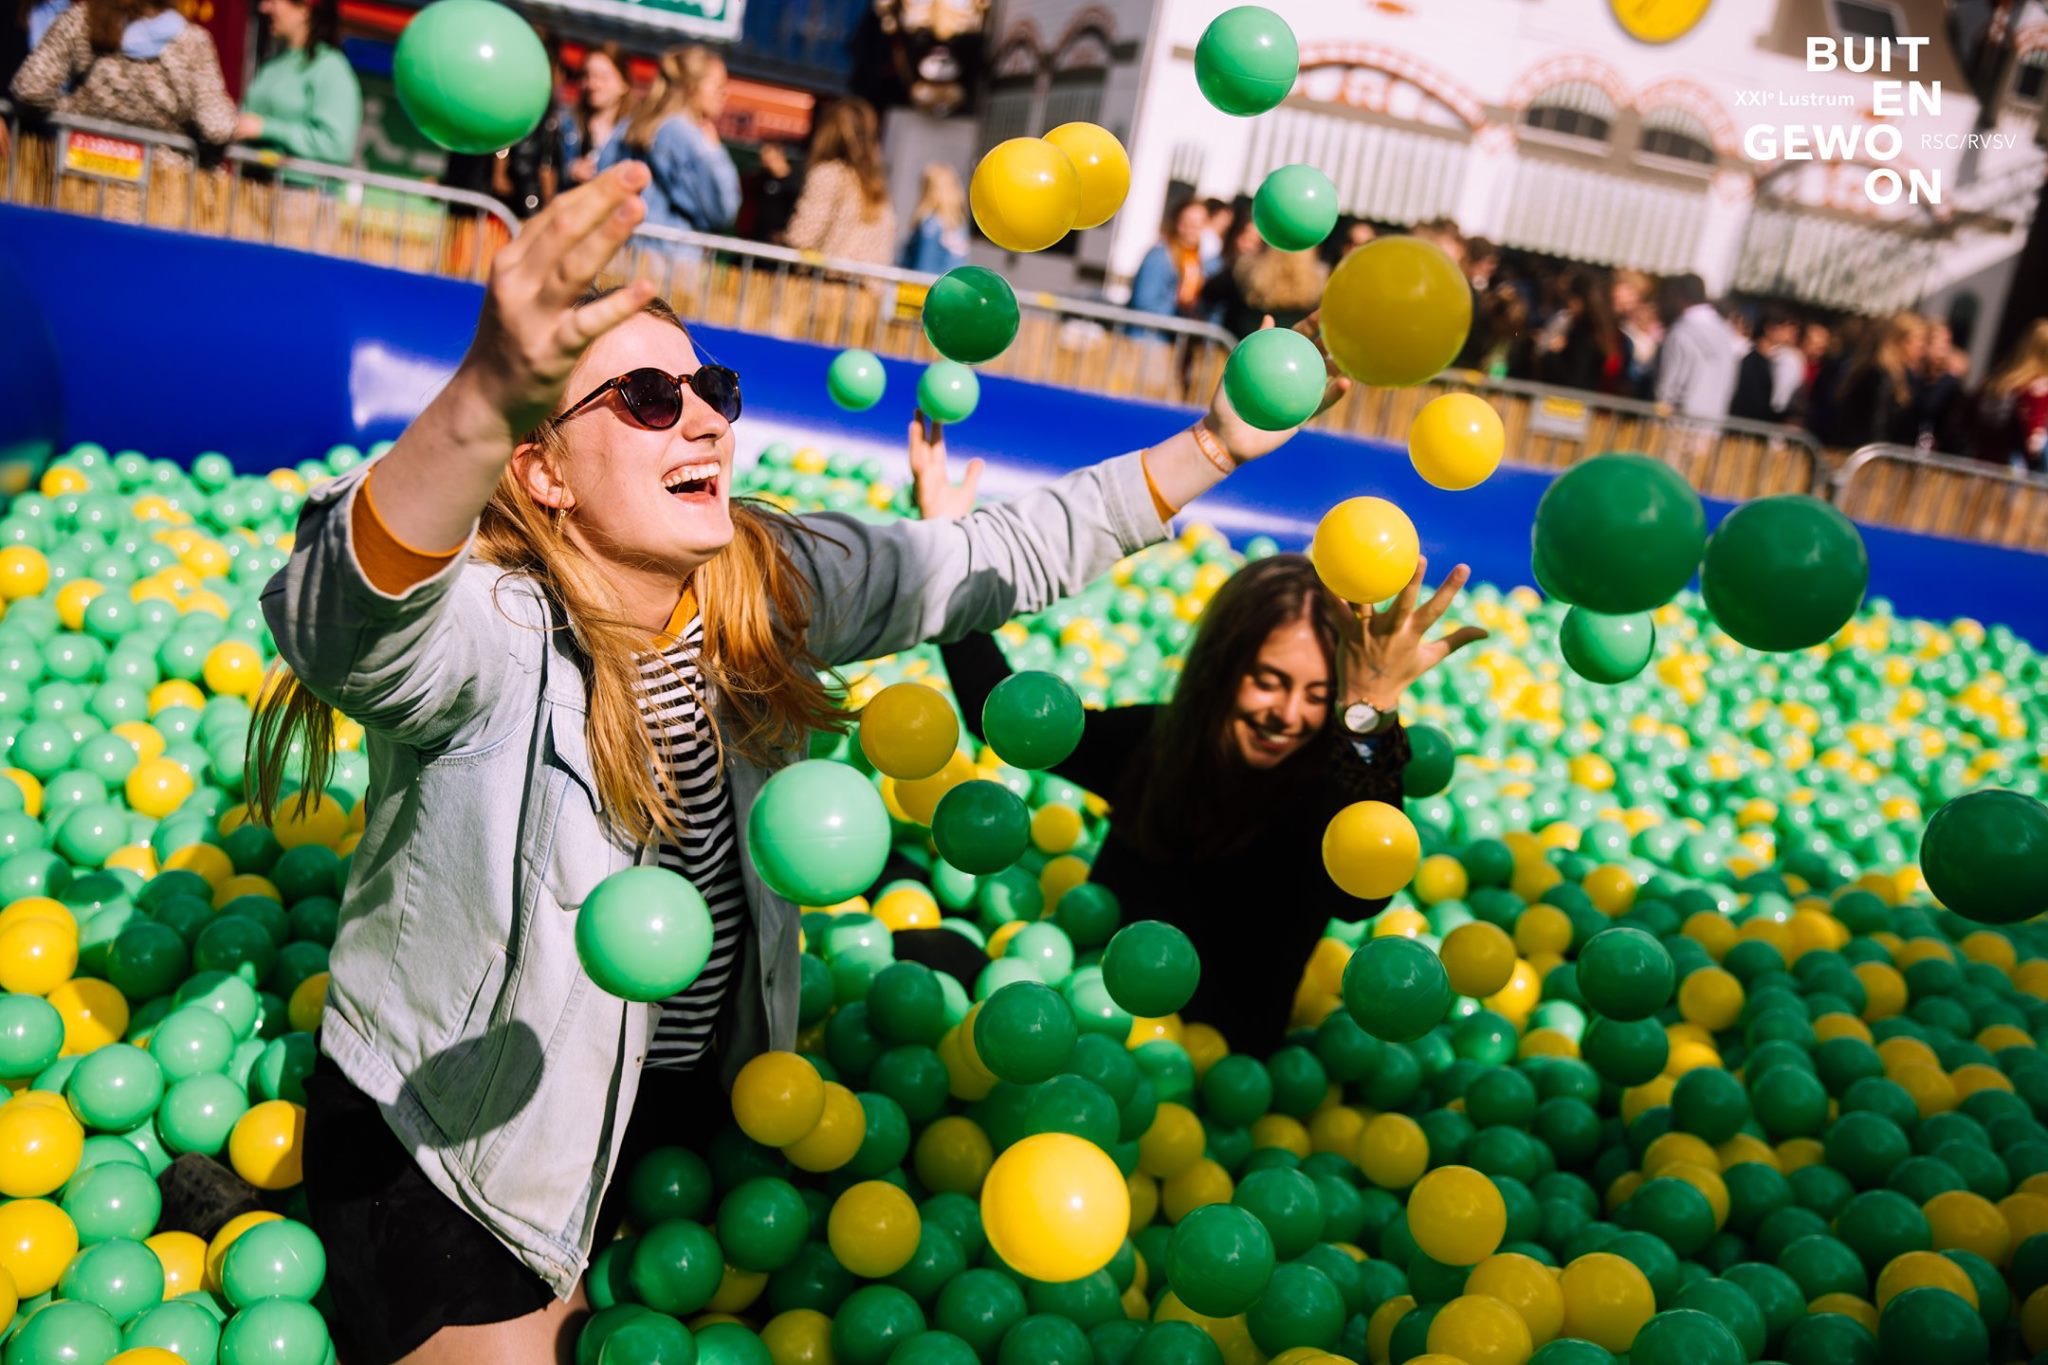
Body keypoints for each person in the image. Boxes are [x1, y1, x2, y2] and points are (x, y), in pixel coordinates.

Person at [252, 162, 1350, 1365]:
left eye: (710, 388)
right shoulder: (496, 636)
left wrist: (1211, 444)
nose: (708, 419)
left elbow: (989, 555)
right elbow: (341, 625)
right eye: (646, 399)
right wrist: (477, 401)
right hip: (472, 1136)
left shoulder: (761, 587)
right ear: (541, 466)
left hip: (690, 1100)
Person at [908, 438, 1483, 1054]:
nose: (1287, 715)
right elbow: (1002, 717)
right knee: (921, 954)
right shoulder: (1159, 743)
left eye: (1319, 694)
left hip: (1211, 1080)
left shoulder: (1324, 795)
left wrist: (1369, 713)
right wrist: (949, 548)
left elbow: (1360, 894)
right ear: (1221, 669)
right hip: (1076, 1027)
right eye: (1268, 681)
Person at [10, 0, 237, 148]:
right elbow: (217, 127)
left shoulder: (80, 21)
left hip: (82, 173)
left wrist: (76, 114)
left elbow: (30, 88)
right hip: (161, 190)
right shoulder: (192, 41)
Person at [599, 43, 738, 233]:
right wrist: (714, 151)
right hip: (670, 255)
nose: (724, 94)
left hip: (625, 243)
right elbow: (723, 209)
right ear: (692, 87)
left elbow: (602, 173)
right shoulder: (687, 136)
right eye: (718, 85)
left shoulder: (633, 123)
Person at [232, 0, 360, 163]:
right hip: (251, 185)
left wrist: (265, 128)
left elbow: (336, 146)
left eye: (273, 1)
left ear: (304, 10)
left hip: (302, 188)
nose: (264, 8)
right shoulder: (272, 66)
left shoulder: (331, 68)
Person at [782, 95, 895, 264]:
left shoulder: (828, 173)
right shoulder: (876, 185)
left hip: (826, 283)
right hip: (866, 287)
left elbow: (802, 235)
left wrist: (778, 240)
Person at [1833, 312, 1927, 449]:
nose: (1921, 351)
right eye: (1917, 344)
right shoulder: (1880, 374)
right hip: (1864, 456)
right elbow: (1874, 426)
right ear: (1900, 342)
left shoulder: (1897, 375)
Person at [1653, 273, 1739, 420]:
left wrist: (1659, 414)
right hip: (1711, 421)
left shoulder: (1681, 331)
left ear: (1678, 297)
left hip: (1678, 421)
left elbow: (1669, 384)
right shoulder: (1725, 333)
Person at [1971, 319, 2048, 473]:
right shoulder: (2037, 389)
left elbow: (1968, 420)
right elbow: (2034, 443)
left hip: (1978, 465)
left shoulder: (1998, 381)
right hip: (2013, 474)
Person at [1535, 268, 1623, 395]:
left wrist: (1551, 355)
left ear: (1578, 300)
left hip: (1568, 404)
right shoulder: (1602, 331)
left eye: (1568, 299)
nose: (1568, 306)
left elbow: (1574, 377)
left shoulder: (1583, 333)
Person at [560, 42, 630, 189]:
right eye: (588, 76)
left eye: (603, 77)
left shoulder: (631, 134)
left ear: (624, 83)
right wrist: (569, 170)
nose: (593, 84)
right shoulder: (566, 124)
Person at [1130, 198, 1209, 320]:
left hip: (1171, 334)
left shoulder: (1197, 259)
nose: (1193, 229)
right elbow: (1143, 302)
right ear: (1178, 223)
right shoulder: (1159, 256)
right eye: (1189, 222)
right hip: (1147, 334)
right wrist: (1177, 305)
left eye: (1199, 223)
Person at [899, 161, 968, 274]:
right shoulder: (959, 227)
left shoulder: (930, 225)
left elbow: (923, 267)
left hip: (923, 288)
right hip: (950, 289)